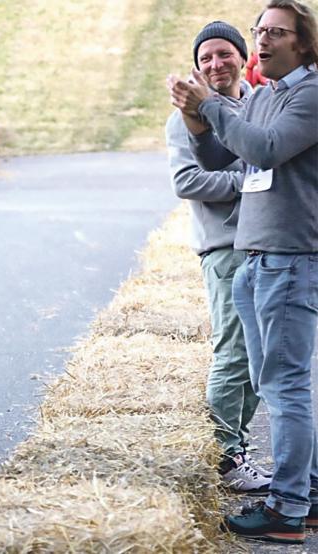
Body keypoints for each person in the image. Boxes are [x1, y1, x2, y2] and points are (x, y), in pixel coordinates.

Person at [168, 0, 318, 544]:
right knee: (273, 382)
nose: (264, 40)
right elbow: (215, 160)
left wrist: (211, 107)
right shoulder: (268, 96)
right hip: (256, 257)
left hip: (288, 257)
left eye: (277, 32)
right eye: (259, 30)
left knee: (286, 387)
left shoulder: (308, 92)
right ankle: (308, 493)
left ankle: (287, 510)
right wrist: (195, 119)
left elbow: (265, 150)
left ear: (303, 43)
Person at [165, 21, 270, 495]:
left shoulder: (260, 104)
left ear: (241, 56)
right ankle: (224, 457)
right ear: (197, 66)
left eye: (224, 54)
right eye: (206, 58)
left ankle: (237, 448)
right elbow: (186, 182)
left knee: (258, 355)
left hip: (267, 244)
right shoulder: (188, 115)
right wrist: (253, 183)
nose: (215, 64)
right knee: (233, 352)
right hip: (225, 249)